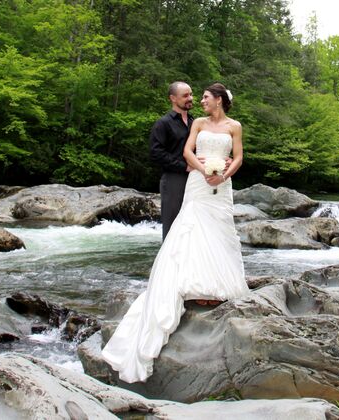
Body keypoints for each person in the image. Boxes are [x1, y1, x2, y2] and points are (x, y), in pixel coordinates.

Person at [101, 82, 249, 383]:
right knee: (190, 229)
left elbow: (238, 157)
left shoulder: (234, 126)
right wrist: (203, 170)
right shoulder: (196, 123)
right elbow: (185, 151)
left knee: (219, 229)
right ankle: (193, 284)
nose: (199, 100)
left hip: (221, 186)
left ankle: (218, 284)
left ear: (219, 100)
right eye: (194, 96)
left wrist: (222, 174)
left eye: (204, 97)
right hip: (197, 181)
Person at [149, 81, 194, 241]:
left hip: (196, 179)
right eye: (185, 95)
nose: (190, 98)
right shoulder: (163, 123)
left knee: (193, 225)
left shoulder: (195, 122)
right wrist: (184, 167)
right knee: (172, 225)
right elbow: (156, 153)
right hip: (173, 179)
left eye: (191, 94)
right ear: (173, 98)